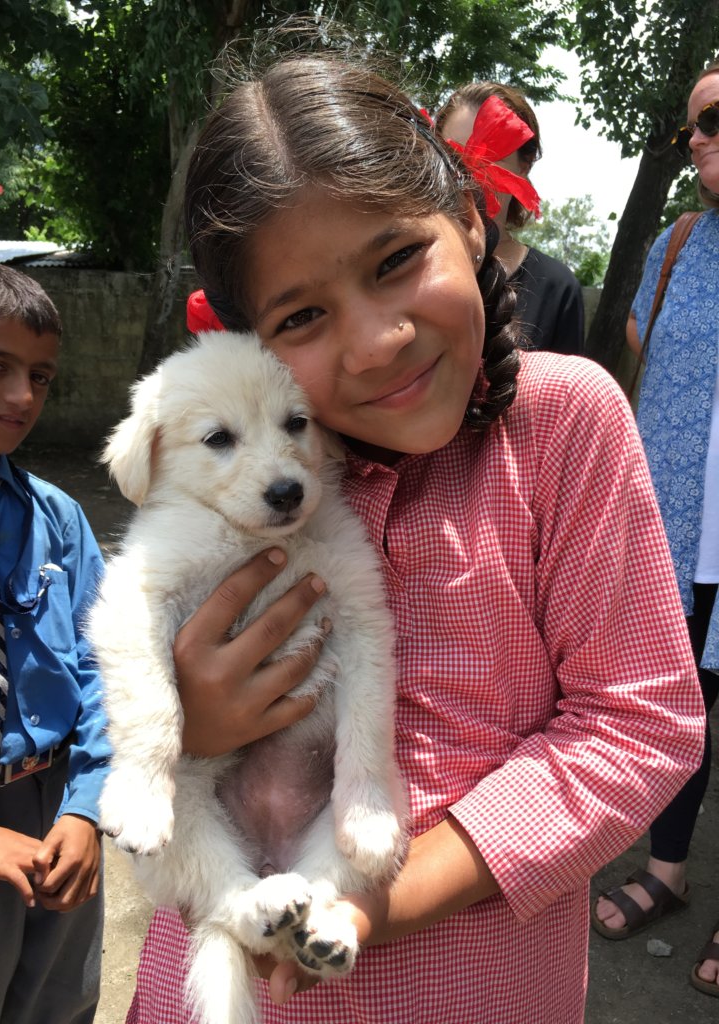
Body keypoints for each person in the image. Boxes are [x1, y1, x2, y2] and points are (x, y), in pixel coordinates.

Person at [125, 36, 705, 1024]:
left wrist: (380, 899)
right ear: (246, 342)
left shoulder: (564, 423)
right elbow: (134, 637)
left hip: (474, 991)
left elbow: (637, 722)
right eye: (302, 316)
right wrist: (189, 722)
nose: (377, 338)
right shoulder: (244, 468)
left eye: (397, 259)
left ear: (473, 223)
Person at [0, 261, 110, 1022]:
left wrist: (86, 809)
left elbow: (107, 668)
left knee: (61, 1004)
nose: (21, 397)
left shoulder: (61, 520)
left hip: (57, 819)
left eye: (40, 377)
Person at [592, 60, 719, 999]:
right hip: (678, 527)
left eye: (713, 117)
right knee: (681, 705)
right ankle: (668, 872)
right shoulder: (679, 244)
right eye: (694, 127)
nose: (699, 138)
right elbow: (642, 339)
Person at [436, 81, 586, 354]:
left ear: (523, 165)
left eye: (487, 157)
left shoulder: (557, 288)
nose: (468, 177)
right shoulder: (412, 267)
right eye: (455, 157)